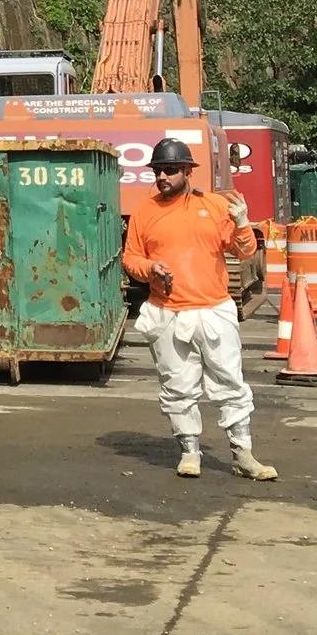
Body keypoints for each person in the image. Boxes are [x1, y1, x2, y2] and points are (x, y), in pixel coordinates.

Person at [122, 136, 276, 480]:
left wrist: (241, 222)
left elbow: (245, 250)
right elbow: (131, 259)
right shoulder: (145, 212)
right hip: (167, 312)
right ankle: (189, 452)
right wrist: (151, 269)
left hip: (213, 310)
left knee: (229, 381)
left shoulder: (216, 207)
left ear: (188, 172)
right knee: (177, 385)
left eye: (171, 170)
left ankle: (243, 454)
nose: (163, 177)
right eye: (158, 171)